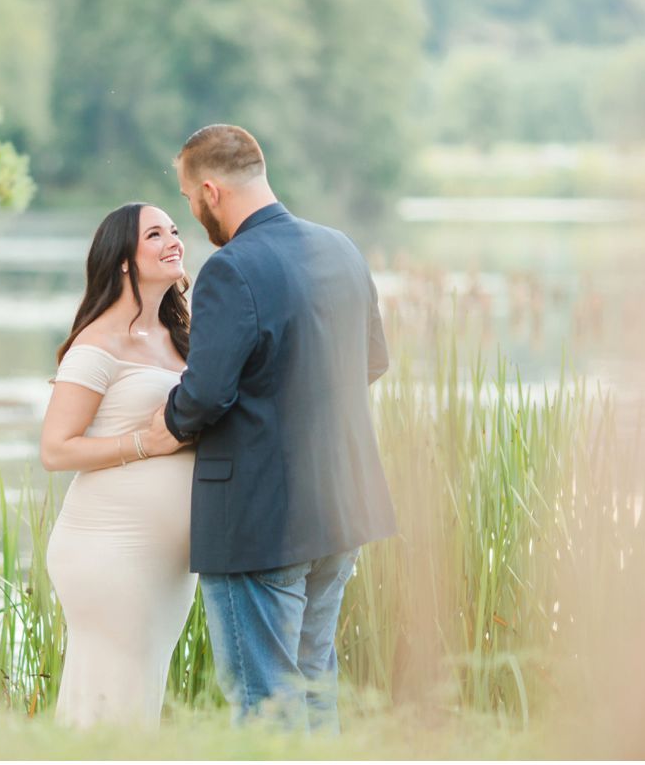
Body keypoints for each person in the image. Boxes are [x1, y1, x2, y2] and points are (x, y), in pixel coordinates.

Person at [146, 124, 397, 732]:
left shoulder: (231, 269)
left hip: (261, 518)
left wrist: (163, 424)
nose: (192, 213)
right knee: (314, 685)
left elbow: (204, 396)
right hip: (342, 506)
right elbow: (373, 361)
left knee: (264, 704)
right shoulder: (340, 246)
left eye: (187, 200)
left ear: (210, 190)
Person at [40, 202, 193, 729]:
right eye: (155, 234)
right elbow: (56, 449)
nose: (173, 239)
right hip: (110, 550)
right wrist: (143, 445)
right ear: (124, 260)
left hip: (166, 564)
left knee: (137, 698)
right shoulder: (98, 342)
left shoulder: (179, 336)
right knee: (112, 702)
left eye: (174, 229)